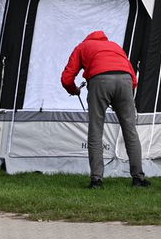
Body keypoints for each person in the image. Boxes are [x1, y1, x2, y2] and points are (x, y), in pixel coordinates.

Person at [61, 29, 149, 188]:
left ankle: (97, 180)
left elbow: (67, 78)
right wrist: (123, 95)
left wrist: (74, 90)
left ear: (88, 39)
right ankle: (138, 179)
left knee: (96, 130)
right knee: (130, 129)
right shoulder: (115, 46)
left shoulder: (82, 47)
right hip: (125, 81)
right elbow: (134, 79)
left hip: (99, 81)